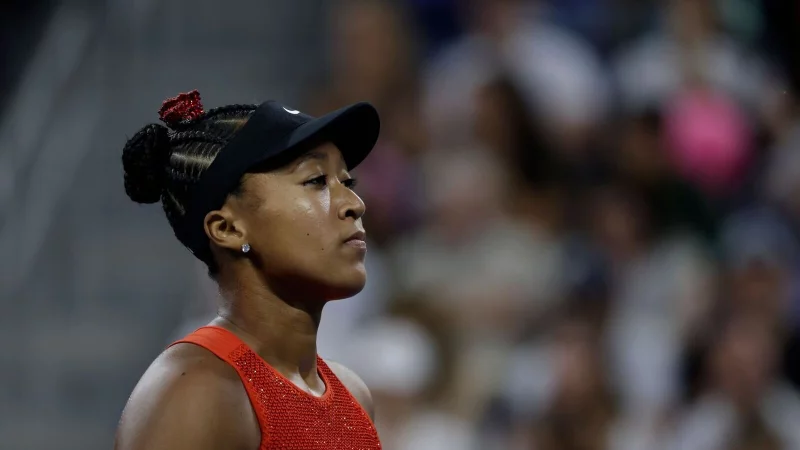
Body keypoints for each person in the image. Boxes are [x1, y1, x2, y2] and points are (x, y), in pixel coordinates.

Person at [114, 90, 383, 449]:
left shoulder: (354, 395)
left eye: (347, 182)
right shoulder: (196, 392)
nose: (354, 203)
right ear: (228, 229)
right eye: (316, 180)